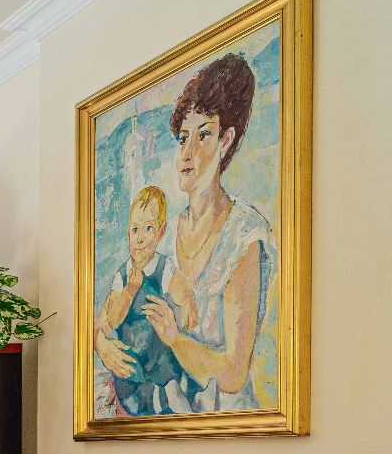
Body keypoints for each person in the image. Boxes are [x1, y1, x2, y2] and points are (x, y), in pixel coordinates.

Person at [137, 52, 275, 413]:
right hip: (170, 415)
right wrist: (103, 343)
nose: (187, 153)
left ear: (225, 141)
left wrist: (174, 339)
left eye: (203, 136)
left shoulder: (244, 235)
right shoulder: (164, 233)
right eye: (183, 138)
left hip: (226, 422)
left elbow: (233, 373)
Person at [94, 185, 189, 415]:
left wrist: (187, 306)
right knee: (127, 380)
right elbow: (113, 320)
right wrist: (129, 291)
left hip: (158, 353)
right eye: (135, 229)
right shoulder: (122, 275)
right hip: (132, 354)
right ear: (128, 233)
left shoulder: (164, 268)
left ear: (161, 232)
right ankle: (152, 400)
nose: (140, 238)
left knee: (168, 370)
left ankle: (169, 394)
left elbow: (182, 293)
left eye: (148, 229)